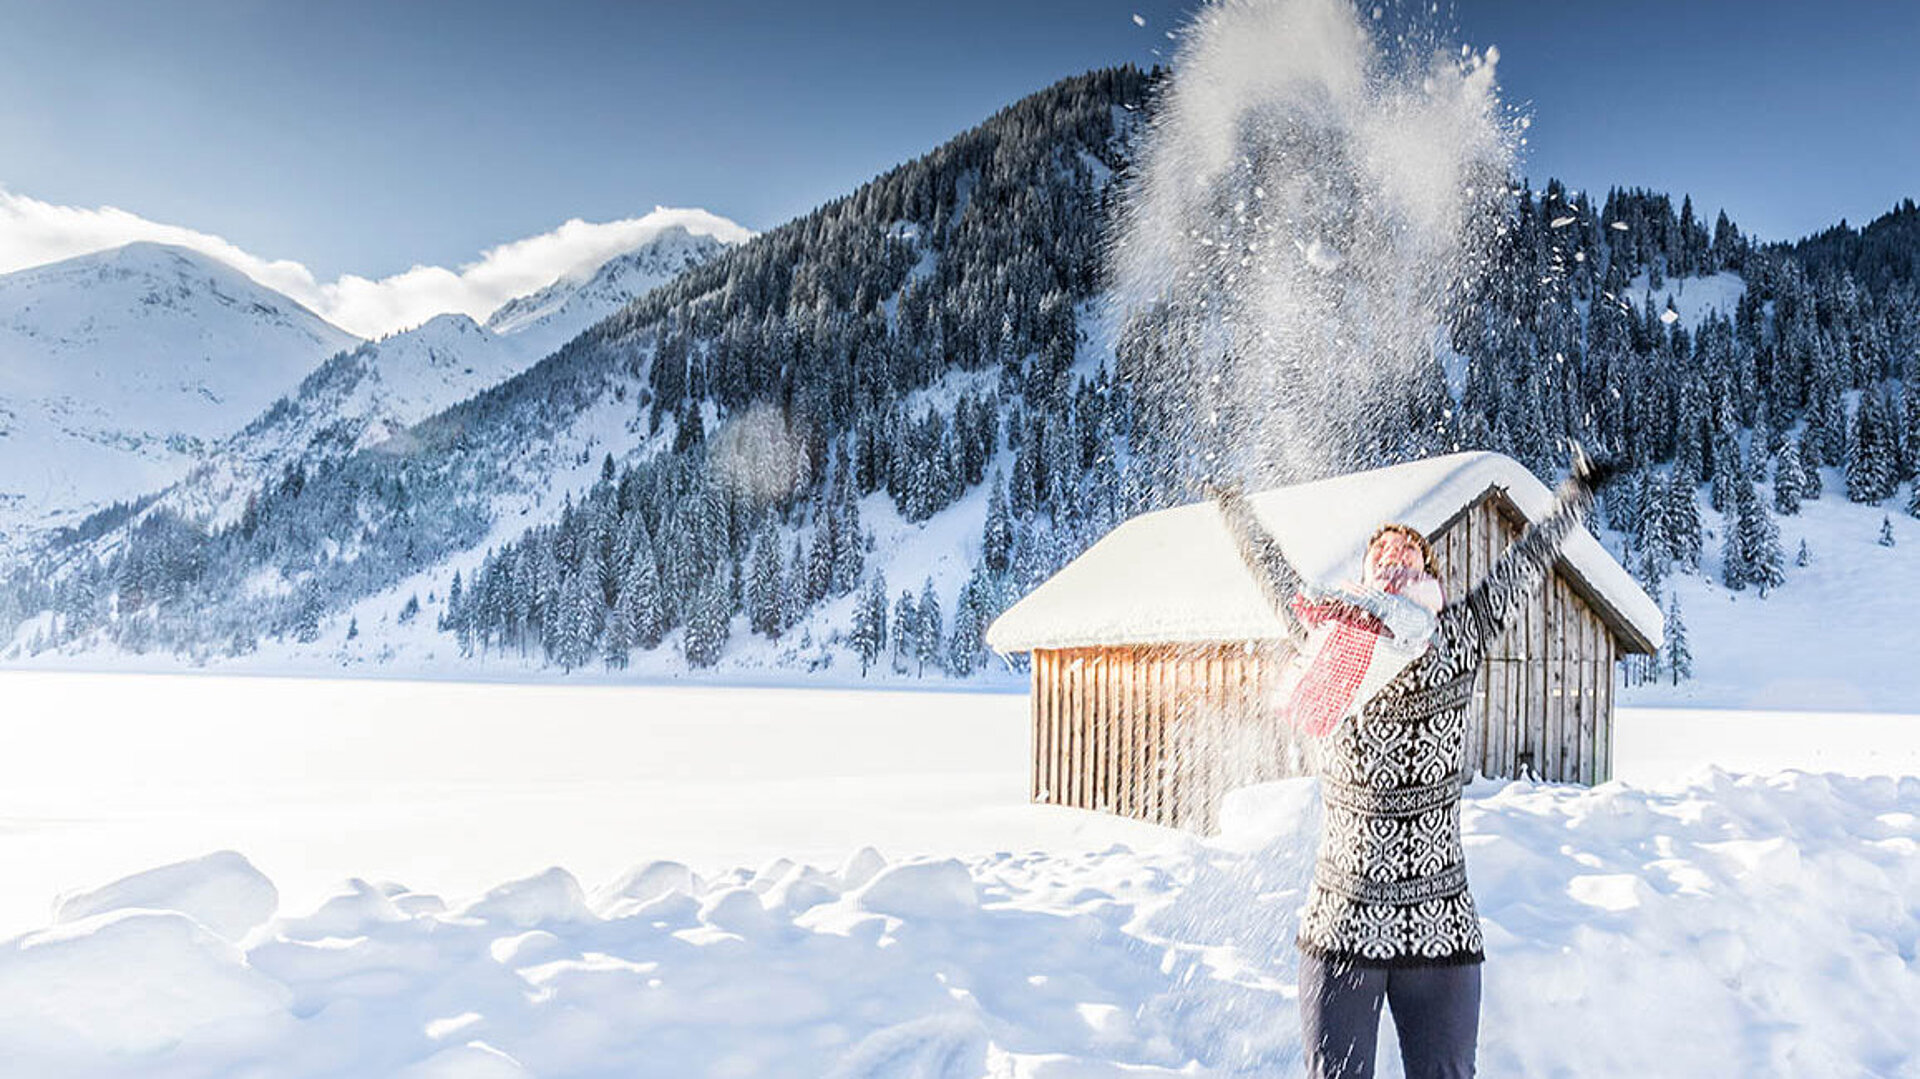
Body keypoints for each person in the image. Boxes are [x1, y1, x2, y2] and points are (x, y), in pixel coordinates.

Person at [1211, 449, 1612, 1079]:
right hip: (1343, 925)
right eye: (1382, 552)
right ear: (1365, 573)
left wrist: (1575, 498)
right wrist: (1233, 506)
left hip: (1442, 929)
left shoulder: (1458, 635)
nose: (1395, 555)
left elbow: (1526, 562)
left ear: (1431, 570)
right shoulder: (1327, 635)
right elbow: (1273, 572)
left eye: (1410, 550)